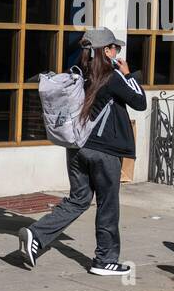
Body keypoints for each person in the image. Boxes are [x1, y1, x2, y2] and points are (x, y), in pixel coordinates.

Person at [19, 26, 147, 276]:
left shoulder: (77, 75)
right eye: (114, 48)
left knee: (78, 200)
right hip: (105, 152)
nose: (117, 51)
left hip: (77, 148)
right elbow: (139, 102)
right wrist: (128, 74)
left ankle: (36, 234)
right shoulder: (112, 77)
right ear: (106, 52)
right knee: (108, 204)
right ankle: (105, 260)